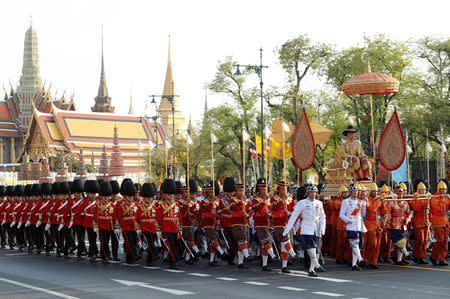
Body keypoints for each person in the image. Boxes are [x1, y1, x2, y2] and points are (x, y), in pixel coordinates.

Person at [283, 185, 326, 277]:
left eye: (314, 192)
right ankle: (317, 265)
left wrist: (323, 228)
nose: (313, 194)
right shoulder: (302, 203)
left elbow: (322, 216)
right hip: (306, 227)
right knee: (311, 247)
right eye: (311, 192)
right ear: (307, 193)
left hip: (316, 228)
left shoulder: (319, 203)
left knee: (317, 249)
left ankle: (312, 270)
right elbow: (294, 216)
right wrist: (288, 228)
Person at [339, 183, 368, 271]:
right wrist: (348, 220)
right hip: (350, 226)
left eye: (357, 191)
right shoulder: (345, 201)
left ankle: (354, 264)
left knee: (359, 245)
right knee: (354, 243)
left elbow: (363, 214)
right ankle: (361, 259)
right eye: (354, 191)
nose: (356, 193)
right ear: (350, 192)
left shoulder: (360, 202)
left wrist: (364, 206)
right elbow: (341, 215)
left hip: (359, 225)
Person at [199, 180, 226, 266]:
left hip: (215, 223)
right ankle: (222, 253)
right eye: (210, 192)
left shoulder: (218, 200)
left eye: (213, 191)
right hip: (207, 223)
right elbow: (205, 209)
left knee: (214, 241)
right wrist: (212, 203)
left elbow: (220, 210)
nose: (211, 193)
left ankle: (211, 260)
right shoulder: (203, 202)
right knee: (214, 238)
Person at [271, 181, 296, 273]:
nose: (284, 191)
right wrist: (282, 201)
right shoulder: (274, 199)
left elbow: (295, 211)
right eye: (282, 189)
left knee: (284, 246)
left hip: (288, 224)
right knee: (285, 240)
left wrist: (289, 213)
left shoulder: (290, 199)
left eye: (285, 189)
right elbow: (273, 209)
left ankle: (284, 266)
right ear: (278, 189)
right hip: (278, 223)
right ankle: (293, 254)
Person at [156, 179, 182, 269]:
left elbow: (178, 217)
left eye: (172, 194)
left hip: (175, 227)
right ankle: (174, 262)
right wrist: (161, 228)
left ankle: (173, 260)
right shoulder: (161, 205)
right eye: (169, 194)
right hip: (166, 227)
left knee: (176, 244)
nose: (171, 196)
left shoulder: (176, 205)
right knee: (171, 245)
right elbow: (159, 219)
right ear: (165, 194)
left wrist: (179, 228)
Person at [252, 178, 276, 271]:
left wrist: (270, 214)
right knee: (266, 241)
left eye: (265, 189)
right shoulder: (256, 200)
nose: (264, 191)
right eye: (262, 189)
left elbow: (270, 210)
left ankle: (264, 264)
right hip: (259, 223)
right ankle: (273, 256)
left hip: (268, 223)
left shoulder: (269, 200)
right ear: (259, 190)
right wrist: (263, 202)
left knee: (264, 245)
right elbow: (257, 210)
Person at [137, 183, 159, 266]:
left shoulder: (154, 206)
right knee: (150, 241)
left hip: (152, 227)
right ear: (144, 197)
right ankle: (156, 254)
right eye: (147, 197)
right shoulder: (141, 206)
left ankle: (149, 260)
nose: (149, 199)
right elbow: (137, 217)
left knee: (151, 242)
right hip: (145, 226)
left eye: (150, 197)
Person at [117, 180, 139, 264]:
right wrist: (118, 226)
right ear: (125, 195)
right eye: (129, 196)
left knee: (133, 241)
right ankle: (134, 254)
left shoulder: (135, 204)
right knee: (129, 241)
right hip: (126, 226)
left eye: (131, 195)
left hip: (134, 226)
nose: (130, 197)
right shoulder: (121, 204)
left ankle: (129, 257)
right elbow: (118, 216)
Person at [429, 180, 450, 266]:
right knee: (440, 240)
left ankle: (442, 259)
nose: (444, 191)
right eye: (442, 189)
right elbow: (438, 208)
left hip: (446, 223)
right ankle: (433, 256)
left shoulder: (446, 198)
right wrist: (442, 199)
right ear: (438, 189)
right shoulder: (434, 198)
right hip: (437, 223)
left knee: (445, 242)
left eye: (445, 189)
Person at [362, 182, 382, 269]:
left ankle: (373, 262)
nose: (376, 193)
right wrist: (379, 202)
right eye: (374, 191)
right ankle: (367, 261)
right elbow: (372, 209)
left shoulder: (378, 201)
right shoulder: (367, 200)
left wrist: (383, 203)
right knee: (372, 244)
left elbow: (383, 212)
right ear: (370, 192)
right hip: (369, 224)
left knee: (377, 245)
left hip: (377, 225)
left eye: (377, 191)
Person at [230, 183, 250, 269]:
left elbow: (250, 210)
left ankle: (240, 262)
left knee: (241, 242)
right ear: (235, 191)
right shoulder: (232, 200)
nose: (241, 192)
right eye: (239, 190)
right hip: (236, 223)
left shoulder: (247, 201)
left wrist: (248, 215)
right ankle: (247, 256)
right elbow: (234, 209)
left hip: (245, 223)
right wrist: (241, 202)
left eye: (242, 190)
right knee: (242, 239)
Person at [409, 181, 430, 264]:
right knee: (420, 240)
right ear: (418, 190)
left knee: (425, 240)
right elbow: (416, 208)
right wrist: (422, 200)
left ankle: (421, 257)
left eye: (424, 190)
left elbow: (429, 208)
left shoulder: (426, 197)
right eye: (421, 190)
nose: (423, 191)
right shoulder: (415, 198)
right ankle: (415, 255)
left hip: (425, 222)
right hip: (418, 222)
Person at [95, 181, 114, 264]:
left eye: (107, 196)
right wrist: (95, 226)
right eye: (105, 196)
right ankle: (106, 256)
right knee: (104, 241)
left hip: (109, 225)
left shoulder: (111, 205)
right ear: (101, 195)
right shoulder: (98, 204)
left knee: (107, 241)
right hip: (101, 225)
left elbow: (113, 215)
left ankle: (103, 255)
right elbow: (95, 216)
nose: (106, 197)